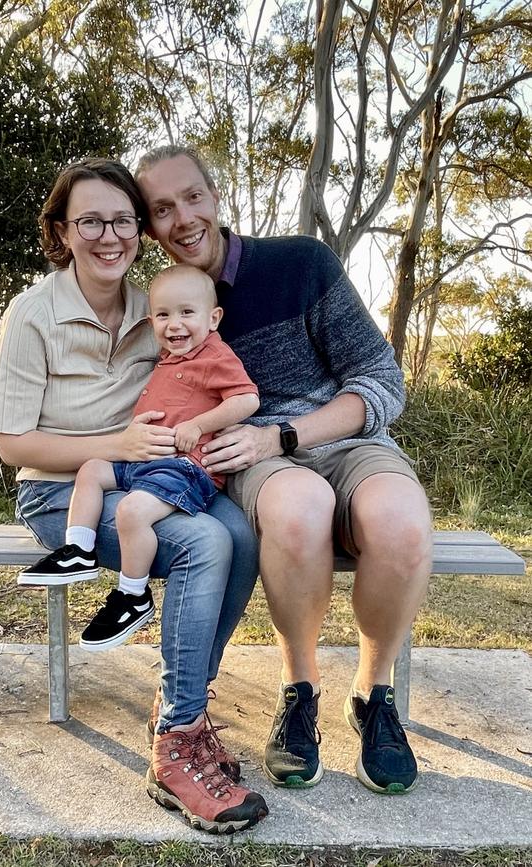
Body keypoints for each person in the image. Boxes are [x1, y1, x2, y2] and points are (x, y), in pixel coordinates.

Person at [136, 145, 433, 796]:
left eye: (192, 197)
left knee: (403, 522)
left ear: (215, 197)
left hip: (343, 438)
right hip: (252, 463)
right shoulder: (164, 309)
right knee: (298, 509)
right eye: (162, 209)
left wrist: (286, 433)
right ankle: (300, 689)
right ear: (150, 227)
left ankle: (373, 693)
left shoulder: (302, 264)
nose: (182, 218)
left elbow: (381, 380)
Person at [0, 157, 268, 833]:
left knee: (243, 533)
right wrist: (114, 444)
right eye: (90, 221)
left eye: (121, 220)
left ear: (139, 230)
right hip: (65, 491)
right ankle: (176, 747)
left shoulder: (159, 308)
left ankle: (184, 700)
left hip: (155, 477)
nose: (108, 235)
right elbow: (14, 444)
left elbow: (209, 379)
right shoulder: (31, 316)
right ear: (62, 230)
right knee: (203, 542)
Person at [18, 263, 260, 652]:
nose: (174, 324)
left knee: (131, 513)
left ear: (214, 319)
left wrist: (199, 425)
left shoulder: (216, 355)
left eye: (187, 313)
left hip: (185, 469)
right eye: (163, 315)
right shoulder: (170, 355)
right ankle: (78, 551)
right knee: (92, 470)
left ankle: (133, 594)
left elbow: (247, 399)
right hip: (146, 462)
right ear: (151, 321)